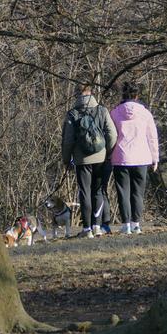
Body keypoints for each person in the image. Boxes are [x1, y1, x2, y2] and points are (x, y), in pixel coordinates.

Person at [61, 83, 117, 238]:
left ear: (77, 95)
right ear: (91, 92)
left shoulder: (72, 113)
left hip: (82, 160)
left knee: (85, 192)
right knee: (98, 191)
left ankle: (87, 229)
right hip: (101, 157)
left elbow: (68, 141)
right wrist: (107, 153)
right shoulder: (102, 110)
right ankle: (97, 226)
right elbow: (112, 134)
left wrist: (66, 159)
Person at [110, 82, 159, 235]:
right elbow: (152, 137)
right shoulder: (145, 113)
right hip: (141, 157)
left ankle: (126, 225)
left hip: (120, 157)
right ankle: (136, 224)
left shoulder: (115, 112)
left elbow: (111, 135)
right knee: (138, 192)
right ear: (137, 96)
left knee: (123, 192)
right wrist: (155, 157)